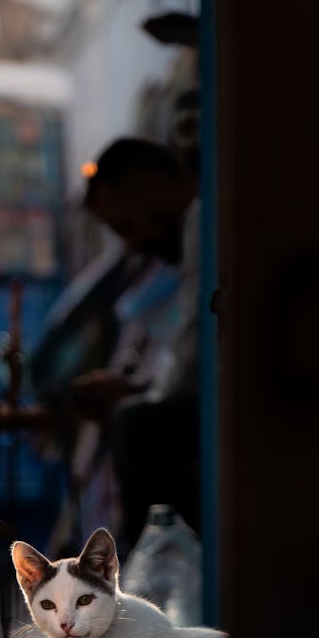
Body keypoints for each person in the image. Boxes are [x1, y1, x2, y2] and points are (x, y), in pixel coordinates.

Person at [75, 135, 201, 556]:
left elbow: (192, 358)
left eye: (125, 225)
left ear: (151, 183)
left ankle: (148, 582)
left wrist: (140, 396)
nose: (130, 244)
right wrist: (139, 388)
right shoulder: (192, 237)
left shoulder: (203, 225)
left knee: (138, 426)